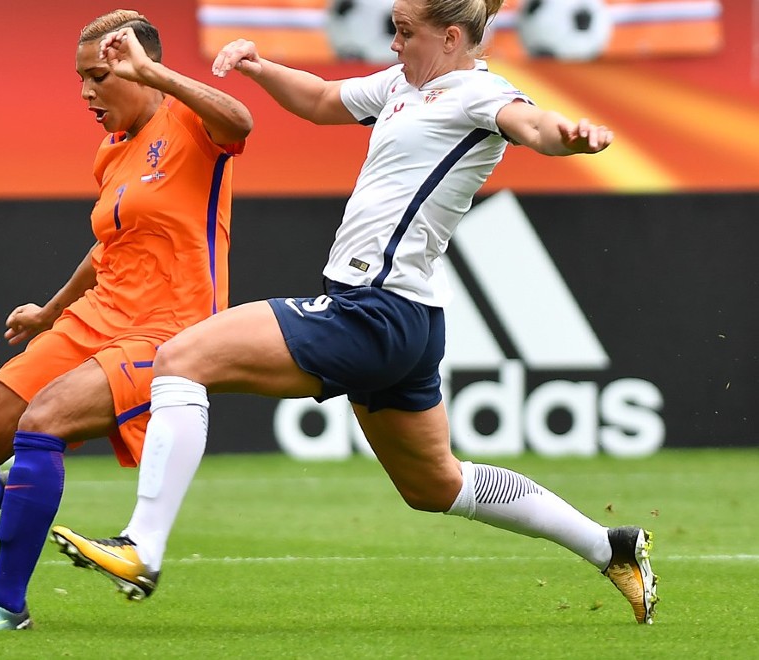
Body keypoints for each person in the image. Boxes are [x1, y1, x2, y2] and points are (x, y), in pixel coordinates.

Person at [49, 0, 659, 625]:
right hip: (408, 319)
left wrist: (572, 138)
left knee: (180, 358)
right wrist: (259, 65)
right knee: (434, 486)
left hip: (375, 310)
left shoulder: (478, 93)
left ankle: (142, 547)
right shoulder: (402, 86)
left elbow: (533, 126)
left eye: (404, 32)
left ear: (450, 37)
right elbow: (319, 99)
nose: (393, 44)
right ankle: (608, 544)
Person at [0, 9, 252, 632]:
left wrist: (158, 72)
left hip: (166, 333)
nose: (86, 92)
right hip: (93, 317)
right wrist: (50, 312)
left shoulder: (194, 126)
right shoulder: (112, 152)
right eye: (81, 78)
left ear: (139, 68)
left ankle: (3, 604)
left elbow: (242, 120)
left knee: (42, 423)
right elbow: (108, 247)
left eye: (99, 76)